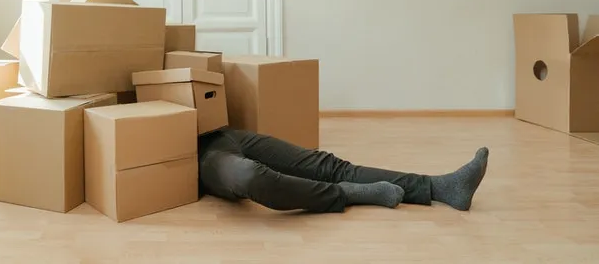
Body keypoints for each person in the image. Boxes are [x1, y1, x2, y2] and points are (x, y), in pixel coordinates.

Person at [198, 127, 489, 213]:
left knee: (327, 165)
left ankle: (440, 187)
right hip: (196, 153)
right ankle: (344, 195)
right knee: (251, 176)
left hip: (218, 131)